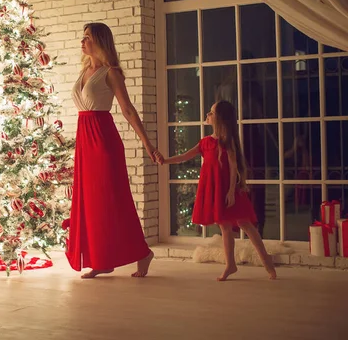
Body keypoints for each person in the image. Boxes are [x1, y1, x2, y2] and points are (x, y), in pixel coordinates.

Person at [66, 22, 163, 279]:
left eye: (87, 37)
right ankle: (101, 260)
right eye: (82, 36)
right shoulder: (85, 70)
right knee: (92, 204)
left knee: (113, 201)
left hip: (102, 141)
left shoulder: (111, 73)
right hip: (84, 140)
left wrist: (147, 144)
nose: (82, 42)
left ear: (99, 41)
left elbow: (128, 110)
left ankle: (143, 253)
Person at [161, 101, 277, 281]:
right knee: (224, 225)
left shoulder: (226, 142)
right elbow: (184, 156)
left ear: (220, 119)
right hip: (214, 188)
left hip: (228, 189)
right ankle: (230, 264)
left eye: (211, 112)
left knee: (246, 224)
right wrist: (165, 161)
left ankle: (266, 261)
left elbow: (232, 167)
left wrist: (231, 191)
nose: (207, 114)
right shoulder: (205, 143)